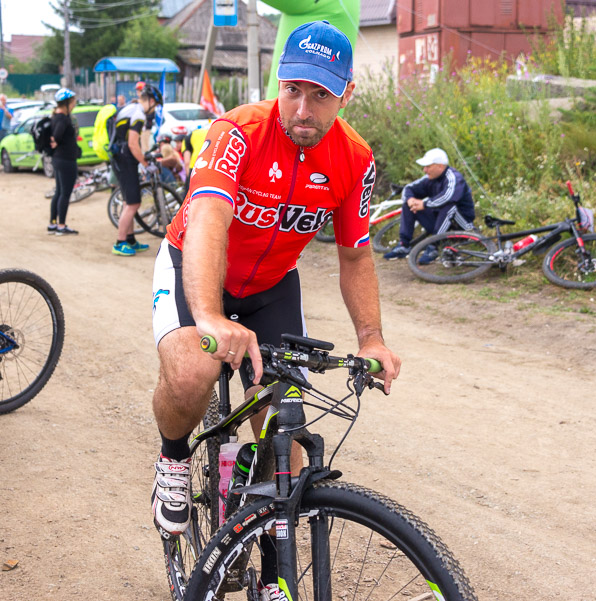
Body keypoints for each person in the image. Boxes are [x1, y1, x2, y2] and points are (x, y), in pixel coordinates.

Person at [149, 24, 401, 598]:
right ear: (277, 83)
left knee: (282, 427)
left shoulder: (354, 159)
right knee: (193, 371)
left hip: (270, 285)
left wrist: (371, 338)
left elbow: (356, 255)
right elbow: (210, 217)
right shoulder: (235, 132)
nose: (302, 107)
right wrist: (209, 316)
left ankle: (266, 560)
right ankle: (171, 458)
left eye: (321, 94)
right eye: (293, 89)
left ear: (347, 94)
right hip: (196, 266)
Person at [382, 147, 475, 263]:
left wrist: (424, 204)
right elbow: (408, 188)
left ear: (440, 166)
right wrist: (411, 200)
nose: (425, 170)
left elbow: (447, 197)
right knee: (409, 205)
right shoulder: (430, 178)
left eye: (428, 166)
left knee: (449, 206)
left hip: (461, 225)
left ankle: (434, 246)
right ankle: (404, 245)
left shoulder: (454, 177)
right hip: (440, 223)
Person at [109, 84, 162, 256]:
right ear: (152, 101)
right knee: (133, 203)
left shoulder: (131, 108)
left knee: (128, 201)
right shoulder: (138, 114)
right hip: (125, 159)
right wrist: (146, 165)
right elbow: (133, 143)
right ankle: (120, 242)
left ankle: (130, 239)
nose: (155, 111)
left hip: (120, 157)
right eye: (156, 106)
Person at [48, 88, 81, 236]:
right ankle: (61, 225)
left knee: (59, 192)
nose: (74, 104)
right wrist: (56, 141)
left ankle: (53, 224)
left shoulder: (55, 116)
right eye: (73, 102)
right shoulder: (63, 119)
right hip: (66, 160)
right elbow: (57, 136)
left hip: (58, 159)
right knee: (65, 194)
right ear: (66, 103)